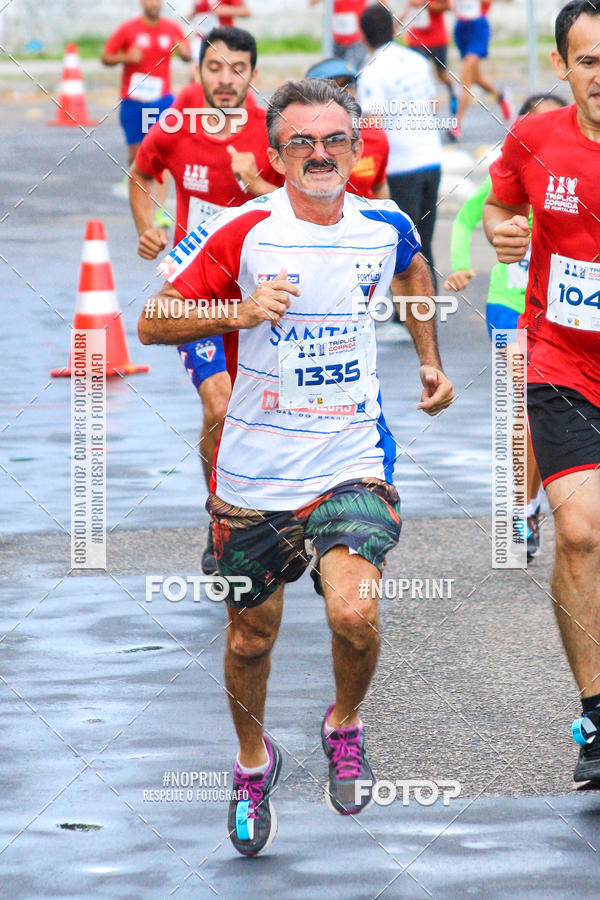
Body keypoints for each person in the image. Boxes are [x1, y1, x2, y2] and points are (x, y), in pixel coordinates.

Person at [138, 77, 454, 855]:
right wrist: (235, 312)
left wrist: (427, 361)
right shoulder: (244, 232)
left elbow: (414, 270)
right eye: (302, 142)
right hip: (254, 472)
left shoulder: (383, 224)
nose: (320, 154)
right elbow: (152, 321)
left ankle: (344, 722)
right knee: (251, 638)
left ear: (355, 147)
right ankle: (253, 765)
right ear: (276, 155)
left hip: (351, 453)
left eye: (334, 140)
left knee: (355, 613)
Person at [482, 0, 600, 784]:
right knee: (583, 531)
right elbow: (499, 204)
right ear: (562, 67)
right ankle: (596, 713)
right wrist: (501, 230)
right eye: (589, 61)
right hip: (562, 361)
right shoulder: (535, 139)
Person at [129, 27, 282, 575]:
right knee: (219, 404)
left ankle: (282, 517)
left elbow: (309, 202)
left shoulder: (275, 132)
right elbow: (143, 174)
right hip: (197, 293)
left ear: (253, 74)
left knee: (268, 409)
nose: (226, 80)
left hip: (265, 296)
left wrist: (256, 184)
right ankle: (221, 518)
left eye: (237, 68)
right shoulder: (174, 124)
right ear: (199, 72)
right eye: (215, 68)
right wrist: (148, 224)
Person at [445, 93, 567, 560]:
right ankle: (521, 509)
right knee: (523, 407)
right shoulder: (514, 177)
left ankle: (531, 502)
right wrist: (462, 264)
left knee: (547, 413)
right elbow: (466, 220)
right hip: (508, 306)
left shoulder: (573, 178)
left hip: (562, 312)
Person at [358, 4, 442, 289]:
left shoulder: (371, 70)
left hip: (401, 165)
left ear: (362, 36)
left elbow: (373, 124)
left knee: (403, 244)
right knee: (425, 242)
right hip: (431, 157)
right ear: (394, 28)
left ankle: (405, 314)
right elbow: (434, 103)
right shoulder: (417, 59)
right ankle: (427, 308)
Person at [102, 0, 191, 228]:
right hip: (134, 101)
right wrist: (125, 57)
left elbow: (188, 55)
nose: (154, 3)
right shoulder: (128, 29)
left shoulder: (171, 29)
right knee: (137, 155)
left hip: (161, 101)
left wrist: (182, 52)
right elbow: (105, 57)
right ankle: (136, 174)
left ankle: (160, 210)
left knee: (163, 154)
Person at [305, 57, 390, 199]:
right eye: (332, 86)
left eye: (349, 84)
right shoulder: (295, 141)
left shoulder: (375, 136)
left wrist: (384, 219)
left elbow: (379, 186)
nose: (345, 92)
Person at [450, 0, 512, 140]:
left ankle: (457, 125)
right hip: (461, 28)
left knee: (465, 76)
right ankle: (500, 95)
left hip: (478, 27)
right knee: (475, 77)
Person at [402, 0, 457, 115]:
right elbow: (410, 7)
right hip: (416, 39)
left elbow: (448, 7)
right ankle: (426, 111)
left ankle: (453, 93)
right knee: (419, 74)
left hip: (437, 40)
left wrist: (425, 4)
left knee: (441, 75)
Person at [308, 0, 369, 70]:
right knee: (336, 71)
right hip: (337, 42)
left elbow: (383, 5)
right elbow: (311, 3)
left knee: (349, 70)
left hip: (357, 40)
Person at [187, 0, 250, 64]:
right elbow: (197, 11)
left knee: (222, 66)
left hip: (223, 39)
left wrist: (224, 10)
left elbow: (246, 11)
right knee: (196, 67)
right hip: (201, 39)